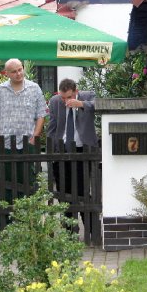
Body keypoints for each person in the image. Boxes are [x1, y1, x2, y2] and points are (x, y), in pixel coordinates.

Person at [0, 58, 47, 230]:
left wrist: (35, 136)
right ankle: (3, 226)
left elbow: (41, 114)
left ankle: (28, 224)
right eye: (14, 71)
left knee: (29, 183)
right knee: (2, 185)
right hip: (4, 144)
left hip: (27, 144)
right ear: (6, 73)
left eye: (20, 69)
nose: (18, 73)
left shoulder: (34, 88)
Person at [47, 78, 98, 235]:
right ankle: (69, 231)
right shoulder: (55, 101)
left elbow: (99, 105)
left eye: (69, 97)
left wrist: (80, 104)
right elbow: (52, 126)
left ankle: (92, 230)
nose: (65, 101)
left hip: (82, 150)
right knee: (63, 192)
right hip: (61, 150)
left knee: (82, 191)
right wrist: (52, 150)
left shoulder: (87, 96)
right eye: (63, 97)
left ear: (76, 91)